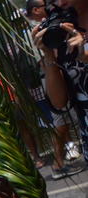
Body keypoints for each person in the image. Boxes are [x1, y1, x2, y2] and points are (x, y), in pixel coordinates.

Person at [24, 0, 84, 179]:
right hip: (50, 78)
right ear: (36, 10)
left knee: (62, 124)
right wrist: (50, 51)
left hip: (63, 76)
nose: (56, 6)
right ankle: (58, 164)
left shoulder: (66, 21)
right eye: (48, 5)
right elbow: (42, 63)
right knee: (60, 123)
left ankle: (63, 157)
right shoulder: (35, 32)